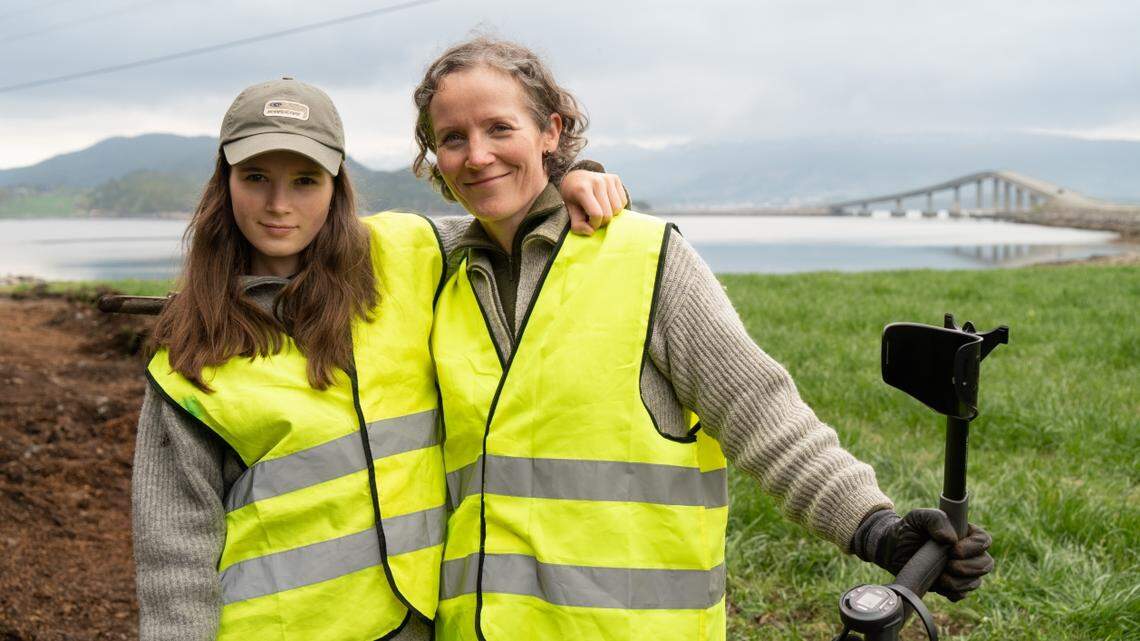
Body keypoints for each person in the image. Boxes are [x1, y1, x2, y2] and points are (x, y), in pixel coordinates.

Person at [411, 37, 995, 641]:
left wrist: (877, 530)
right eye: (453, 138)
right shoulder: (433, 269)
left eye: (500, 128)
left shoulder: (643, 256)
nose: (477, 155)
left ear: (550, 132)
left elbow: (759, 412)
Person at [133, 77, 628, 641]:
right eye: (255, 178)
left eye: (304, 181)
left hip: (419, 625)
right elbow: (175, 558)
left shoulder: (408, 254)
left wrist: (573, 176)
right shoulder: (189, 358)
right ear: (225, 184)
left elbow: (509, 209)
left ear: (335, 185)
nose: (279, 204)